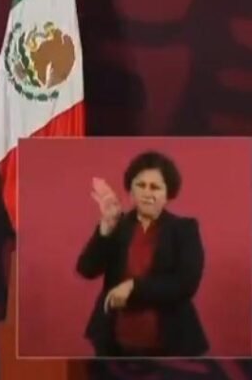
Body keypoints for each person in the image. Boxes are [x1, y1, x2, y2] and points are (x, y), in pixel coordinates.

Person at [76, 150, 208, 357]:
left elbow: (186, 283)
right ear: (131, 190)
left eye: (155, 187)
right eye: (141, 185)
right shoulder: (117, 224)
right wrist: (106, 227)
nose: (147, 193)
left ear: (168, 194)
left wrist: (134, 287)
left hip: (170, 340)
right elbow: (86, 270)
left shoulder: (184, 229)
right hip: (114, 339)